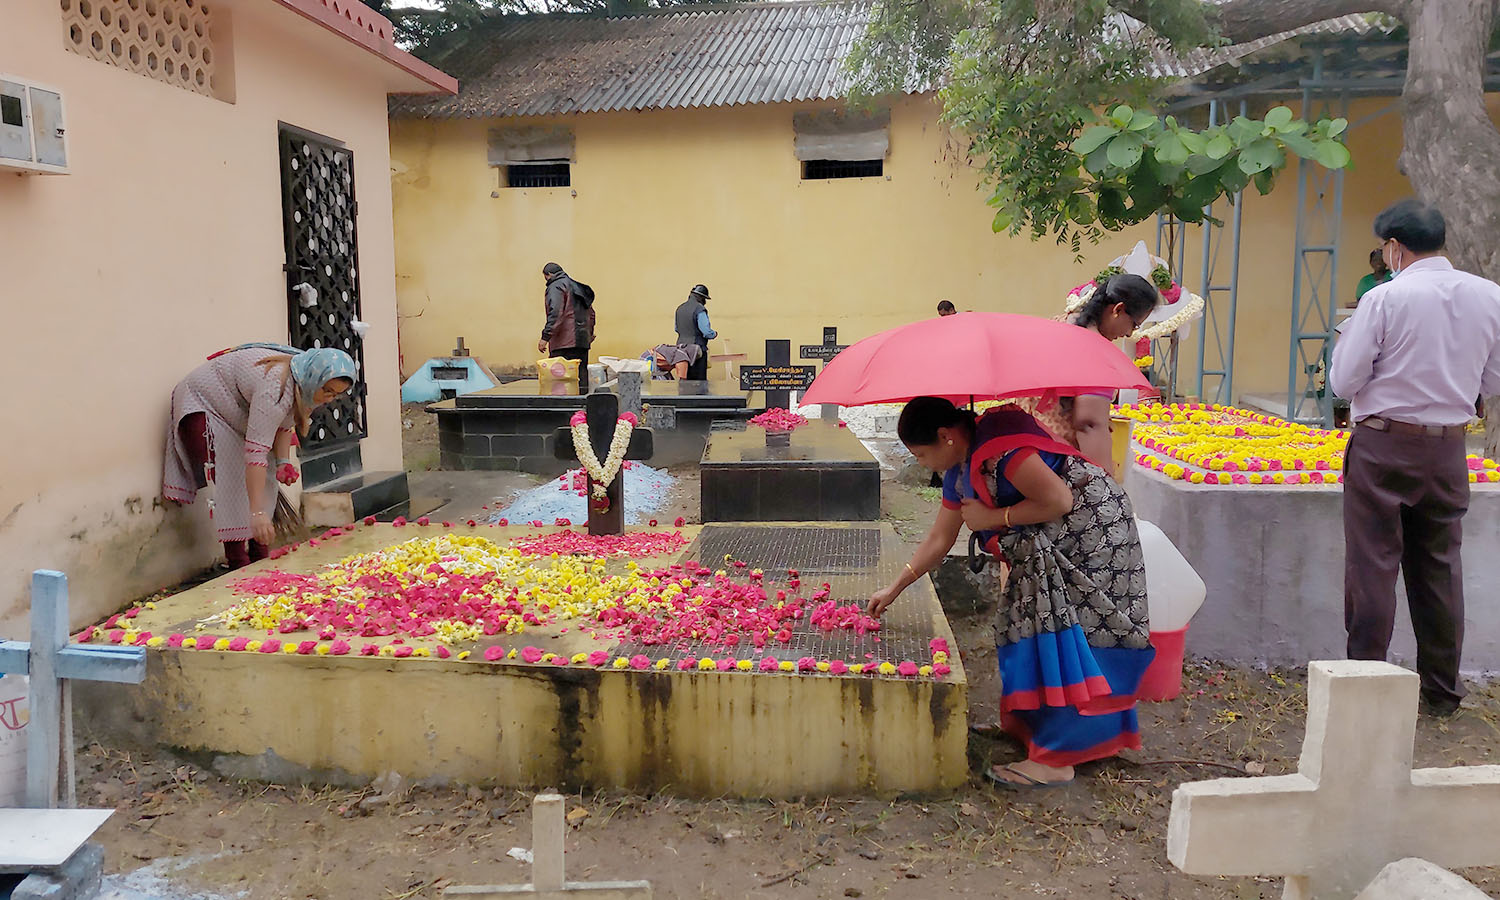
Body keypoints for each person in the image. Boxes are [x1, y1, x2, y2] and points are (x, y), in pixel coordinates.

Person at [871, 398, 1154, 787]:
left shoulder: (1006, 454)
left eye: (921, 453)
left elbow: (1059, 500)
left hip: (1093, 540)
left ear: (945, 436)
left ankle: (1056, 759)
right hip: (1047, 551)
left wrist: (993, 519)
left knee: (1064, 639)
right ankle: (1031, 731)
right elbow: (940, 538)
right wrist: (895, 587)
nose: (921, 463)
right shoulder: (962, 469)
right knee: (1023, 628)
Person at [1331, 199, 1500, 717]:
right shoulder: (1489, 295)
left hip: (1384, 443)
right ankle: (1443, 693)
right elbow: (1493, 381)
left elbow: (1343, 382)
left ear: (1394, 248)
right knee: (1440, 568)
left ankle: (1364, 689)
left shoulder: (1385, 299)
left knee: (1373, 566)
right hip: (1449, 447)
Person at [162, 344, 356, 568]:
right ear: (315, 379)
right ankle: (238, 560)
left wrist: (283, 462)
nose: (330, 399)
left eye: (337, 395)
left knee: (268, 468)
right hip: (205, 404)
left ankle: (259, 553)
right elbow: (256, 454)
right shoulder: (274, 388)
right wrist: (257, 512)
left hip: (235, 411)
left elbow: (284, 422)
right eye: (328, 391)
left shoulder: (304, 377)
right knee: (233, 471)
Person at [1022, 274, 1158, 476]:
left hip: (1022, 448)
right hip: (1055, 463)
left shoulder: (1060, 323)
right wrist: (1108, 486)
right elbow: (1090, 425)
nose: (1130, 333)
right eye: (1135, 324)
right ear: (1117, 309)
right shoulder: (1096, 352)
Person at [539, 262, 596, 392]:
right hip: (582, 341)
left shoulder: (556, 286)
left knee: (559, 383)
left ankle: (563, 412)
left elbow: (556, 312)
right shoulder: (578, 287)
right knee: (581, 381)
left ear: (548, 275)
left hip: (563, 343)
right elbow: (591, 314)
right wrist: (589, 334)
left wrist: (545, 337)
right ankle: (581, 410)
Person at [674, 284, 716, 380]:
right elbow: (706, 332)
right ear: (701, 297)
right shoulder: (699, 309)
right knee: (699, 383)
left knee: (684, 379)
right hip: (697, 350)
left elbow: (676, 329)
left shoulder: (680, 308)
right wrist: (714, 334)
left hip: (681, 350)